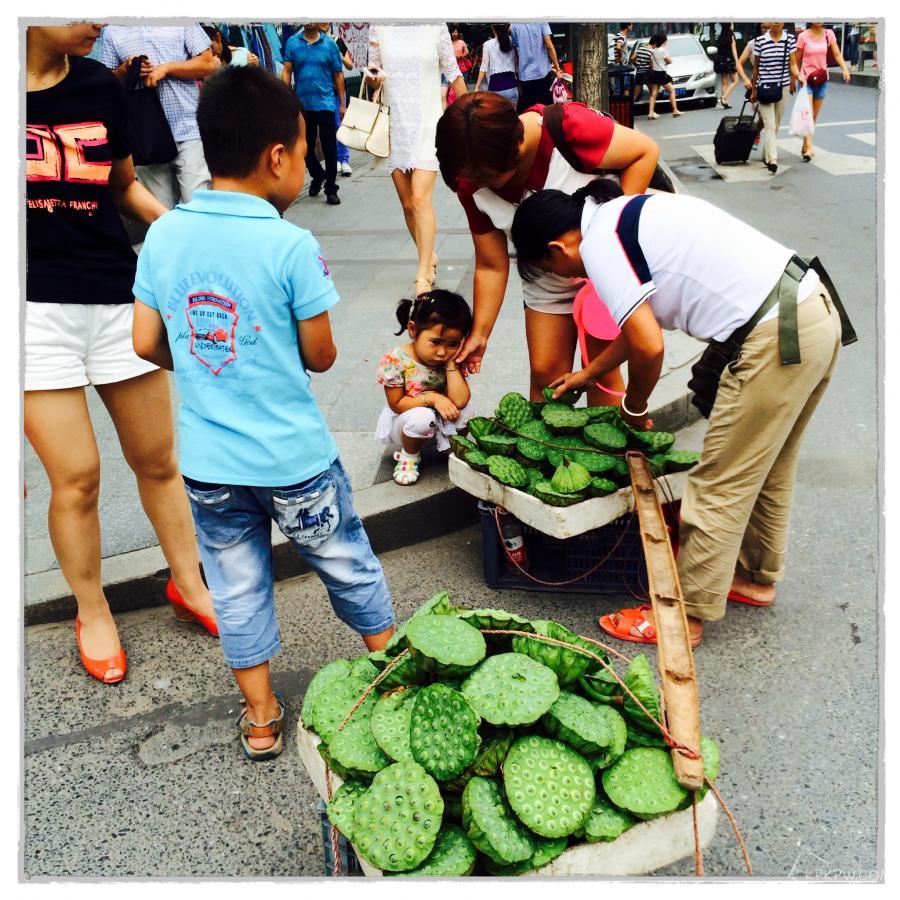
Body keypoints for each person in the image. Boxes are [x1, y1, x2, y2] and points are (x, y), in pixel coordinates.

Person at [131, 66, 395, 760]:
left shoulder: (163, 237)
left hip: (212, 465)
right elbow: (322, 355)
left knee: (237, 587)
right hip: (294, 460)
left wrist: (202, 363)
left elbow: (144, 343)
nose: (307, 165)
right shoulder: (291, 245)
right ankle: (393, 676)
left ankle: (260, 718)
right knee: (345, 562)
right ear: (277, 155)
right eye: (305, 152)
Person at [510, 180, 853, 648]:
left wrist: (633, 409)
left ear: (557, 247)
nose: (569, 280)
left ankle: (682, 618)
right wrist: (590, 374)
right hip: (811, 312)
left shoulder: (599, 247)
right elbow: (637, 331)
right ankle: (754, 577)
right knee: (768, 465)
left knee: (718, 483)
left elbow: (650, 347)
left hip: (774, 336)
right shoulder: (619, 212)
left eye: (553, 269)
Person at [25, 23, 218, 685]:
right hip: (30, 315)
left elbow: (125, 188)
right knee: (76, 477)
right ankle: (92, 608)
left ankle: (190, 583)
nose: (97, 20)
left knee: (159, 459)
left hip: (114, 294)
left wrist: (193, 237)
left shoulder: (100, 88)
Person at [435, 91, 659, 401]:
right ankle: (548, 446)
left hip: (604, 273)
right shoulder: (470, 180)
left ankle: (614, 448)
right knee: (546, 375)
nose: (477, 183)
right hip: (545, 278)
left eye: (485, 176)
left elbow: (644, 151)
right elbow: (491, 264)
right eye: (471, 176)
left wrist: (612, 246)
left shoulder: (569, 128)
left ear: (517, 147)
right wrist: (481, 333)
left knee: (600, 370)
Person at [366, 24, 467, 298]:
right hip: (396, 123)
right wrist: (374, 75)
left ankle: (423, 273)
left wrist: (470, 114)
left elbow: (453, 71)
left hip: (427, 123)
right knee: (408, 203)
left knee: (421, 198)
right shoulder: (380, 26)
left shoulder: (435, 24)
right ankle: (428, 253)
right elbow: (373, 72)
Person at [99, 24, 218, 209]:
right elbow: (107, 81)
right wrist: (126, 69)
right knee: (159, 212)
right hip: (146, 136)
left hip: (187, 127)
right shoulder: (112, 30)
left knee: (199, 206)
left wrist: (168, 68)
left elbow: (208, 64)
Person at [376, 291, 475, 485]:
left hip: (441, 420)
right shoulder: (396, 359)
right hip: (407, 423)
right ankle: (409, 456)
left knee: (468, 409)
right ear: (413, 329)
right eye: (436, 342)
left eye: (453, 344)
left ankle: (453, 449)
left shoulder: (450, 358)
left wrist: (451, 365)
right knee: (423, 417)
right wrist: (433, 398)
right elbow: (397, 404)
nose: (442, 352)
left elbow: (461, 400)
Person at [282, 23, 346, 205]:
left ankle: (331, 189)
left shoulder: (329, 44)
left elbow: (339, 75)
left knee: (330, 147)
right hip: (303, 105)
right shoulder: (293, 43)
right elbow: (287, 71)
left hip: (325, 103)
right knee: (304, 148)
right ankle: (318, 175)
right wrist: (286, 97)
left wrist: (342, 104)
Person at [796, 23, 852, 161]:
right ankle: (808, 148)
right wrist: (795, 79)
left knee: (813, 116)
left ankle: (805, 144)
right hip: (806, 79)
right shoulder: (803, 36)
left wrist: (844, 69)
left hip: (822, 79)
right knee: (808, 114)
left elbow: (837, 53)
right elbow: (796, 60)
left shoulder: (829, 34)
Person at [750, 22, 800, 174]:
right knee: (769, 124)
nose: (776, 22)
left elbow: (792, 63)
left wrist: (797, 77)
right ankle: (773, 159)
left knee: (776, 123)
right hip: (764, 87)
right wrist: (754, 90)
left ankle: (767, 154)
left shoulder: (789, 39)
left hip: (782, 87)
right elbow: (756, 67)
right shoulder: (760, 41)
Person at [319, 23, 354, 177]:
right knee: (329, 126)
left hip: (337, 89)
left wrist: (338, 52)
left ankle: (344, 159)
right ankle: (335, 160)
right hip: (323, 90)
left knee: (340, 123)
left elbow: (350, 65)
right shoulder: (315, 43)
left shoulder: (337, 41)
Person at [510, 23, 562, 112]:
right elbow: (548, 44)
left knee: (530, 110)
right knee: (546, 109)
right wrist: (557, 68)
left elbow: (516, 47)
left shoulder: (514, 24)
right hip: (542, 73)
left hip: (525, 76)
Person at [475, 24, 519, 105]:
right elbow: (517, 66)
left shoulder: (488, 44)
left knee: (497, 116)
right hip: (512, 86)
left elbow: (484, 67)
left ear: (493, 28)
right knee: (512, 116)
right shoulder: (513, 42)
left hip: (495, 87)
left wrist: (477, 86)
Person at [647, 33, 683, 119]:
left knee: (653, 94)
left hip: (655, 73)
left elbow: (651, 64)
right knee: (671, 91)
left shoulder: (654, 51)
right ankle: (675, 110)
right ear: (664, 41)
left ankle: (651, 113)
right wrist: (665, 63)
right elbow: (669, 61)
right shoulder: (663, 50)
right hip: (662, 73)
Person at [714, 23, 740, 107]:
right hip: (730, 61)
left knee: (724, 83)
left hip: (721, 61)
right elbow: (734, 50)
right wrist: (737, 61)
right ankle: (724, 97)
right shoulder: (731, 35)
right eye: (732, 23)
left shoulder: (721, 36)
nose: (733, 24)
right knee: (735, 81)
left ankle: (725, 102)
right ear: (730, 25)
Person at [631, 37, 653, 102]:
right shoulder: (651, 51)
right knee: (652, 94)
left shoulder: (640, 49)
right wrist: (652, 73)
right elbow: (651, 65)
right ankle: (652, 110)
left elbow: (632, 58)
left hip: (639, 73)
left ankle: (630, 108)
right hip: (647, 73)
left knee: (635, 94)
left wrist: (637, 65)